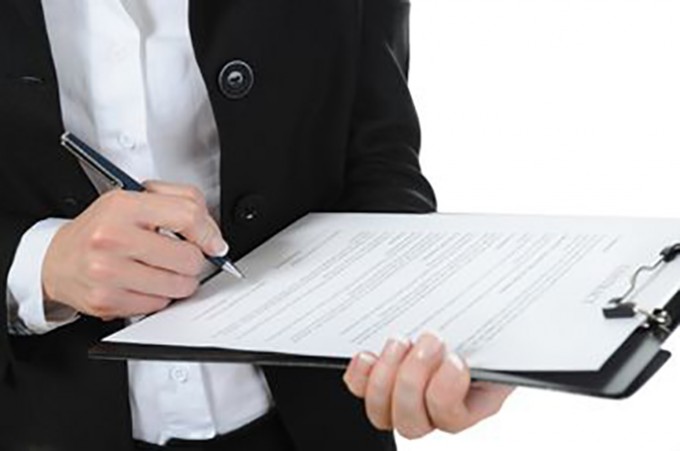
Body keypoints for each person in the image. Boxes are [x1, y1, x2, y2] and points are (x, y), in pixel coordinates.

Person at [0, 0, 512, 450]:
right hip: (40, 419)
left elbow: (378, 155)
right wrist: (42, 264)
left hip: (315, 424)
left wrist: (421, 317)